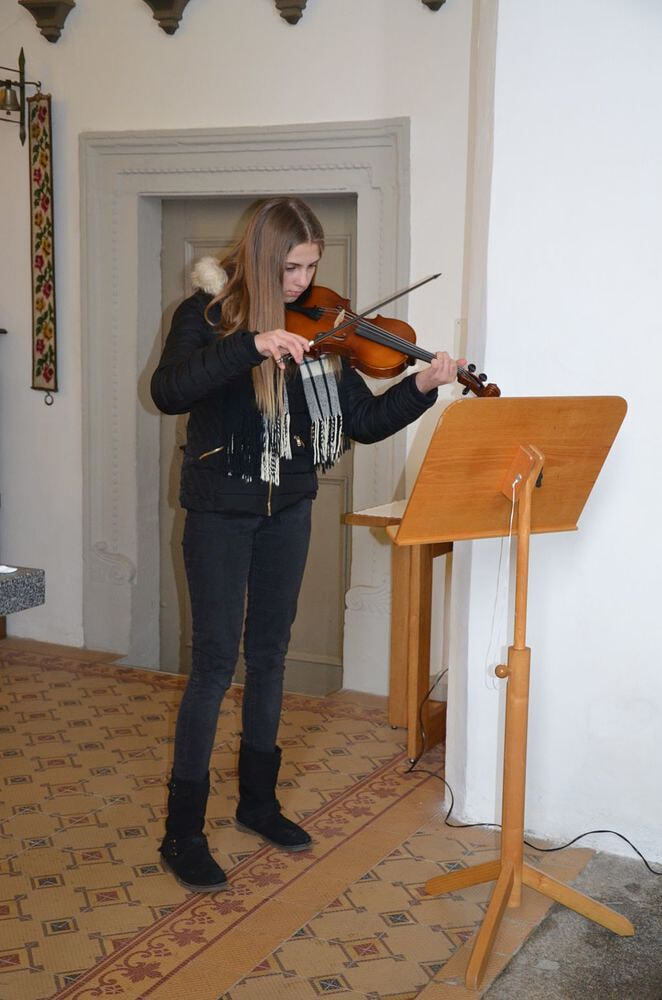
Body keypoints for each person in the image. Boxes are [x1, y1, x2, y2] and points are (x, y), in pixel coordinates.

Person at [150, 196, 462, 892]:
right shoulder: (206, 317)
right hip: (219, 508)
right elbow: (168, 391)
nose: (303, 282)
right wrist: (251, 345)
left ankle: (258, 803)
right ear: (262, 259)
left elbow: (363, 421)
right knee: (213, 666)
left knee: (270, 656)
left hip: (289, 506)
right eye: (290, 268)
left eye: (311, 267)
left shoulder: (322, 331)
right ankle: (183, 832)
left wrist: (422, 385)